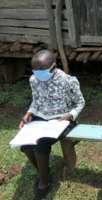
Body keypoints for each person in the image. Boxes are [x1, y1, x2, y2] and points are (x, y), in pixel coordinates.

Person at [18, 50, 85, 200]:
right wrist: (29, 113)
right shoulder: (34, 80)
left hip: (62, 120)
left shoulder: (68, 80)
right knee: (26, 145)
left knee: (40, 144)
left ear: (54, 67)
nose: (39, 75)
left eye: (43, 72)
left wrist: (70, 115)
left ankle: (44, 183)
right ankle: (44, 171)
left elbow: (80, 103)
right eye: (36, 71)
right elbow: (36, 101)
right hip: (40, 118)